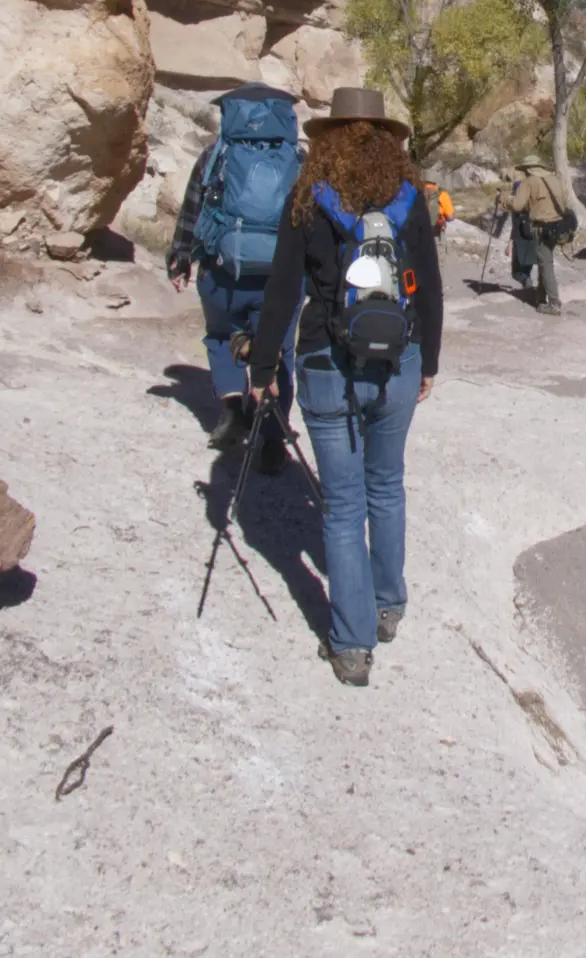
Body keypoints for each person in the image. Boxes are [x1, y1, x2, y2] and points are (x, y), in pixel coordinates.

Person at [241, 87, 443, 688]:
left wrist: (262, 370)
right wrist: (427, 360)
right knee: (386, 486)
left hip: (326, 362)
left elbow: (283, 290)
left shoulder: (309, 196)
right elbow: (428, 288)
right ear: (388, 139)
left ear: (328, 136)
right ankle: (388, 605)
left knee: (343, 504)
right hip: (398, 360)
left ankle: (352, 647)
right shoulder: (409, 199)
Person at [167, 83, 305, 466]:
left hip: (222, 271)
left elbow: (192, 210)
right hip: (283, 278)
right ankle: (274, 438)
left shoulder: (217, 156)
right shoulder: (299, 158)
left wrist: (180, 257)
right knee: (281, 353)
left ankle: (232, 408)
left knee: (221, 336)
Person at [504, 154, 573, 315]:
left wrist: (504, 199)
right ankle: (540, 298)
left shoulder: (529, 182)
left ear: (527, 169)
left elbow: (517, 205)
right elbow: (565, 201)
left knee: (546, 264)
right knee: (544, 262)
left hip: (541, 228)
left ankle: (554, 303)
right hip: (558, 227)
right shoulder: (554, 179)